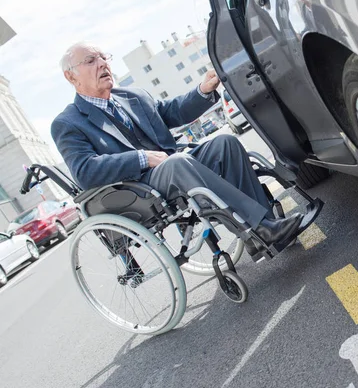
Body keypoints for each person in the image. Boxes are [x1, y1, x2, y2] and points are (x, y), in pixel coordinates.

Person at [51, 42, 303, 255]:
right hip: (139, 186)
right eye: (91, 60)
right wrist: (142, 158)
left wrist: (203, 90)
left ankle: (265, 229)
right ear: (71, 76)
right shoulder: (68, 123)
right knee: (177, 162)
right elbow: (85, 171)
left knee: (225, 142)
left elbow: (171, 112)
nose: (103, 63)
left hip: (174, 162)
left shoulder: (132, 96)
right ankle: (261, 229)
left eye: (104, 57)